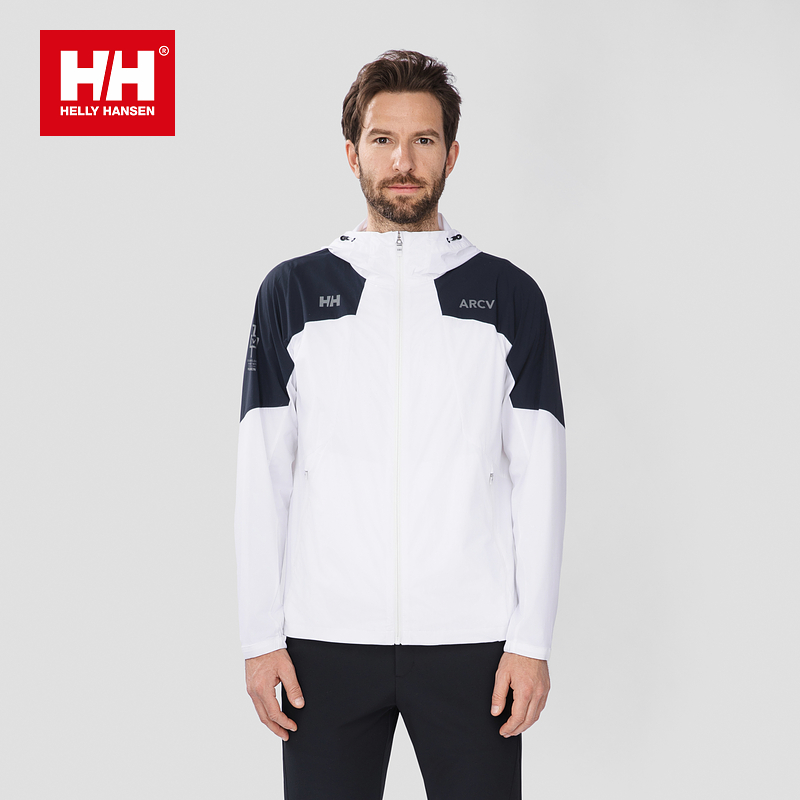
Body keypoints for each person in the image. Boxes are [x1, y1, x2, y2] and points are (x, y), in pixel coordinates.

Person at [234, 49, 567, 800]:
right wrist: (260, 637)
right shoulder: (292, 292)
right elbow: (262, 472)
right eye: (383, 139)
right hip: (324, 640)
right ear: (353, 153)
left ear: (452, 154)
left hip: (473, 643)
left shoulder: (508, 295)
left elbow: (540, 475)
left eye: (423, 140)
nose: (403, 162)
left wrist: (531, 640)